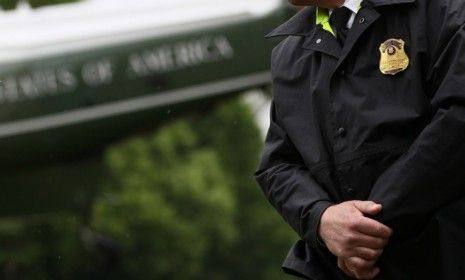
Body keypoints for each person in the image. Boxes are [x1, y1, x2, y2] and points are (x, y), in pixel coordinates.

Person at [255, 0, 465, 279]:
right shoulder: (287, 56)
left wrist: (362, 229)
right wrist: (322, 219)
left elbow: (457, 121)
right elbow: (276, 167)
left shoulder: (439, 9)